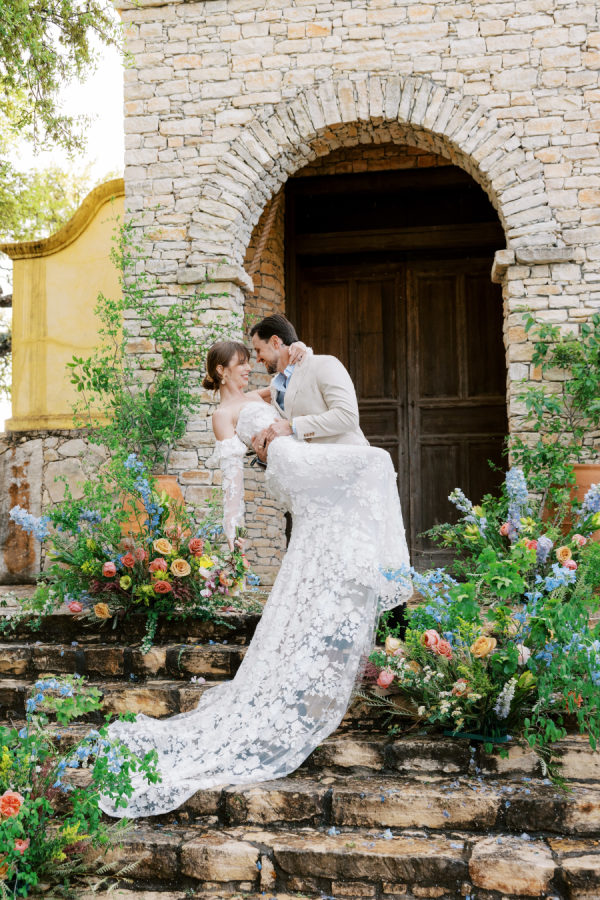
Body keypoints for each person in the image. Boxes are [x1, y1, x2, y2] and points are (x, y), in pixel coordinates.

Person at [99, 333, 411, 819]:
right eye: (242, 365)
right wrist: (234, 537)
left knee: (370, 475)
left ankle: (378, 575)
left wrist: (300, 352)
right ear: (222, 371)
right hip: (289, 464)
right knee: (377, 462)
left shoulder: (259, 396)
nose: (250, 371)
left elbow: (288, 375)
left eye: (251, 362)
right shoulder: (222, 415)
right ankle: (390, 578)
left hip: (297, 456)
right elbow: (232, 480)